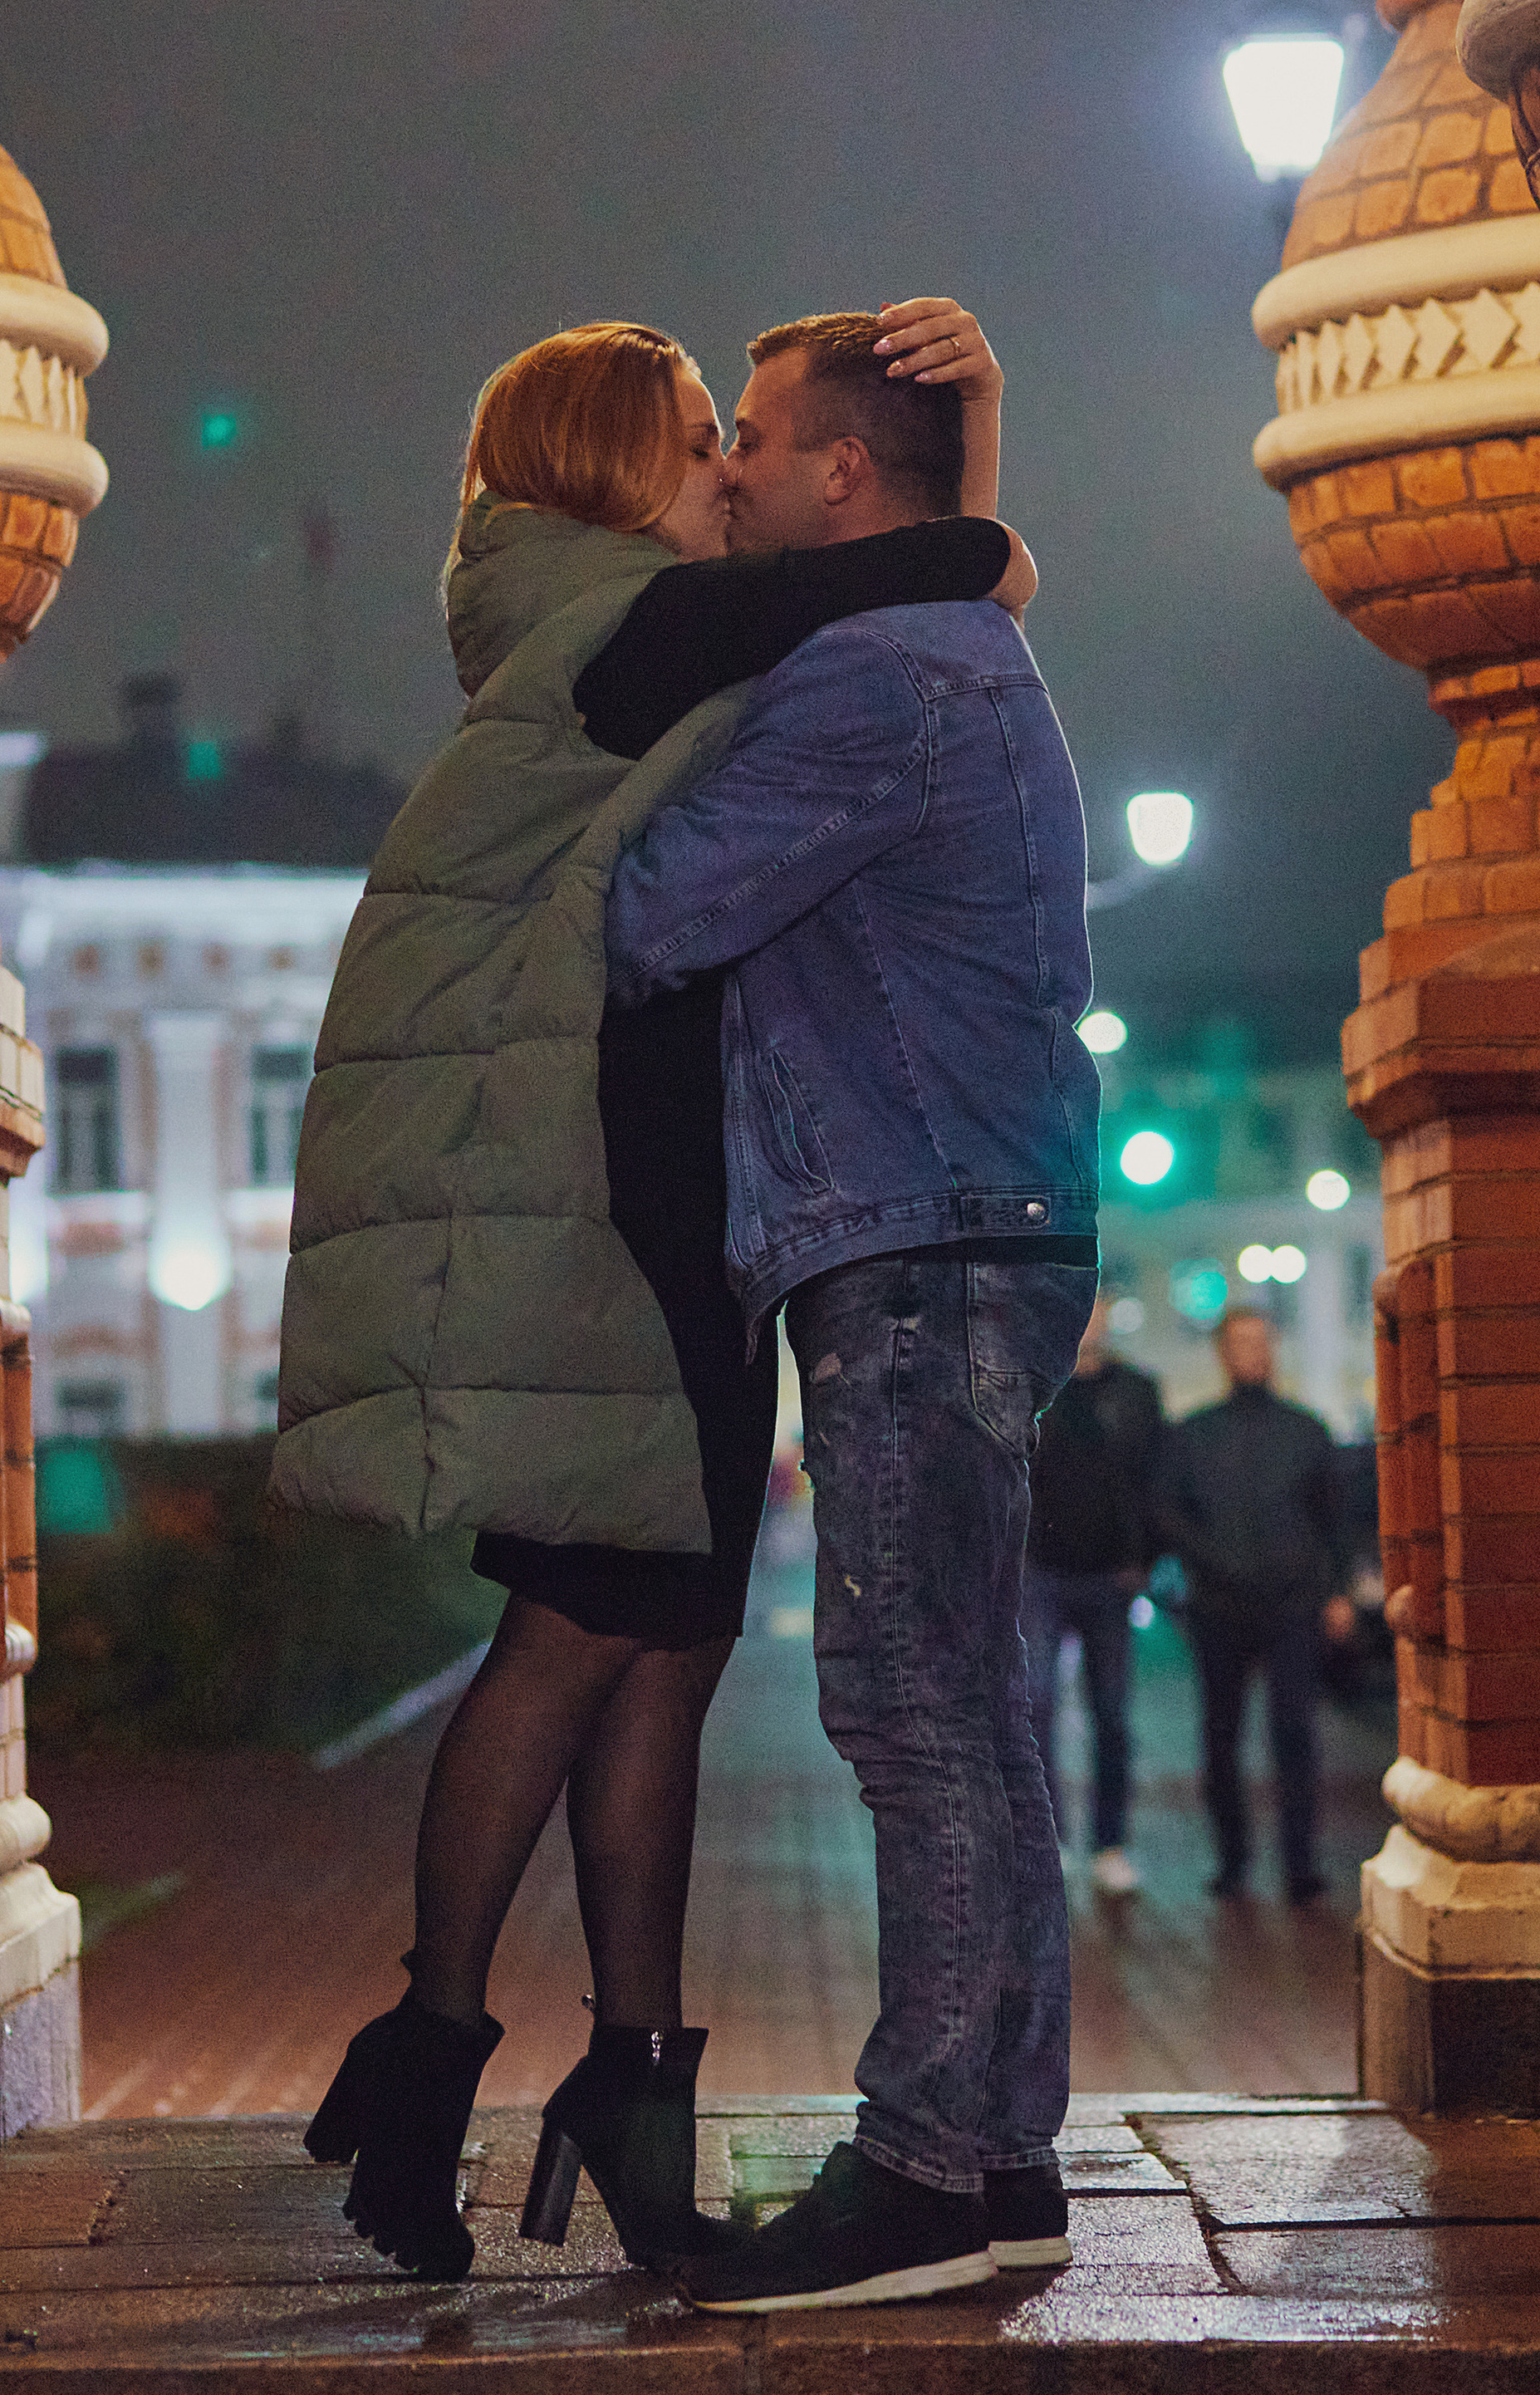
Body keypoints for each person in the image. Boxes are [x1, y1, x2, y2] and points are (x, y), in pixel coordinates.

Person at [273, 304, 1031, 2285]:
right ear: (618, 464)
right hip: (607, 1201)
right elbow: (949, 564)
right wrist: (973, 459)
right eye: (701, 433)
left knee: (667, 1640)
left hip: (649, 1192)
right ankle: (432, 2052)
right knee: (573, 1625)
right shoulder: (632, 625)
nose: (724, 467)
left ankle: (626, 2076)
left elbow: (907, 583)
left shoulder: (591, 623)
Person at [601, 311, 1099, 2315]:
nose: (724, 467)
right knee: (968, 1708)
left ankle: (919, 2172)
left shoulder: (875, 674)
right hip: (962, 1218)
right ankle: (995, 2156)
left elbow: (651, 909)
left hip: (917, 1235)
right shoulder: (942, 644)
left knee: (909, 1707)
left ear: (835, 472)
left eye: (752, 435)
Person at [1151, 1306, 1356, 1907]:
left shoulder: (1305, 1431)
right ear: (1223, 1352)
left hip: (1292, 1603)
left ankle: (1300, 1866)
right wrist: (1208, 1561)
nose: (1253, 1351)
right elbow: (1168, 1511)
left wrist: (1337, 1590)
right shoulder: (1194, 1435)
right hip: (1219, 1606)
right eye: (1241, 1341)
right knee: (1221, 1736)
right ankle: (1233, 1861)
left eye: (1261, 1340)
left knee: (1295, 1733)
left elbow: (1334, 1519)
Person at [1023, 1296, 1164, 1896]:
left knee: (1112, 1715)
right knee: (1036, 1707)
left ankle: (1111, 1843)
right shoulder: (1035, 1384)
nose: (1088, 1323)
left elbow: (1155, 1479)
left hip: (1111, 1575)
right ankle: (1047, 1839)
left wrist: (1144, 1559)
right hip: (1041, 1572)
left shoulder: (1136, 1391)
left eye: (1097, 1310)